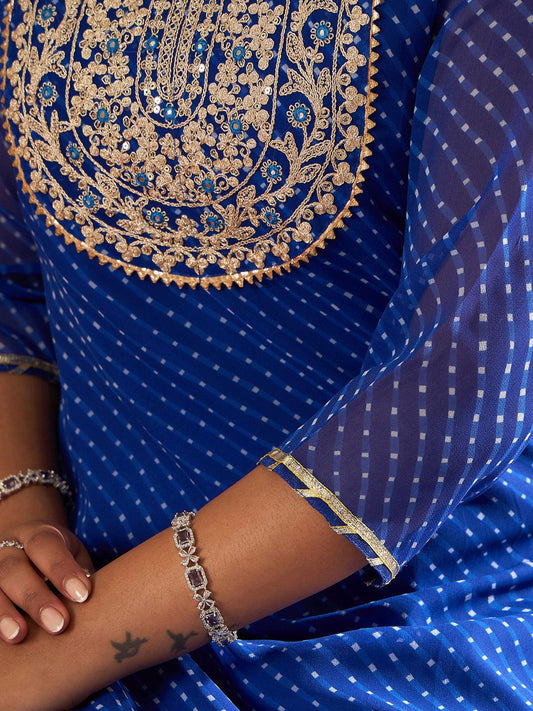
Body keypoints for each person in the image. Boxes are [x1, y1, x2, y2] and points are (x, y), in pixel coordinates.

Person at [0, 0, 532, 708]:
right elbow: (16, 287)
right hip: (80, 593)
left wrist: (70, 649)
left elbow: (461, 382)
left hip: (396, 633)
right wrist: (22, 530)